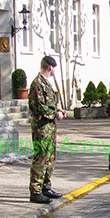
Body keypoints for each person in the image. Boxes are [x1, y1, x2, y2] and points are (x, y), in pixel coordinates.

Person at [28, 55, 67, 204]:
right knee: (41, 157)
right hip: (41, 126)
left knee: (50, 157)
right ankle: (35, 190)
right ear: (49, 67)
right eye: (54, 67)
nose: (54, 70)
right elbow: (40, 107)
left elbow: (50, 103)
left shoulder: (47, 84)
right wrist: (55, 114)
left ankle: (46, 186)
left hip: (49, 126)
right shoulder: (37, 84)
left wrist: (59, 109)